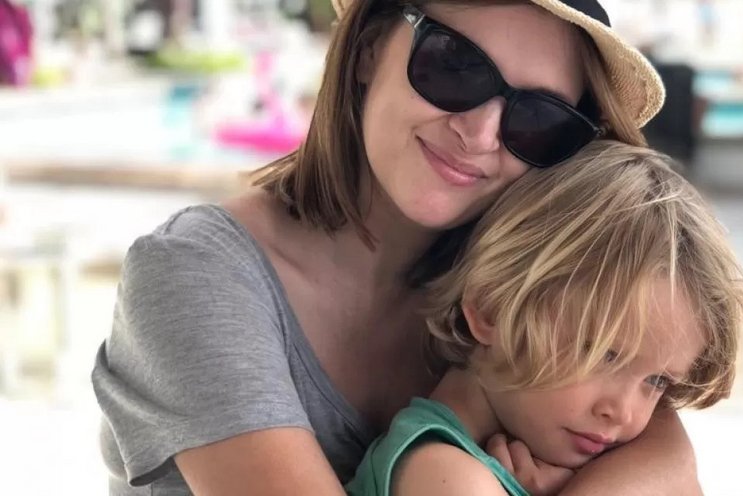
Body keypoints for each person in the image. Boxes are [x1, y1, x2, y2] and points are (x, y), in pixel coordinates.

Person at [90, 0, 701, 494]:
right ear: (366, 49)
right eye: (454, 67)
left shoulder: (528, 292)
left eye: (538, 117)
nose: (480, 132)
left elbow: (666, 457)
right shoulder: (195, 274)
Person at [345, 140, 743, 496]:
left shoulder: (555, 456)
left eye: (657, 381)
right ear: (491, 308)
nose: (623, 412)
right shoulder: (446, 477)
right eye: (603, 354)